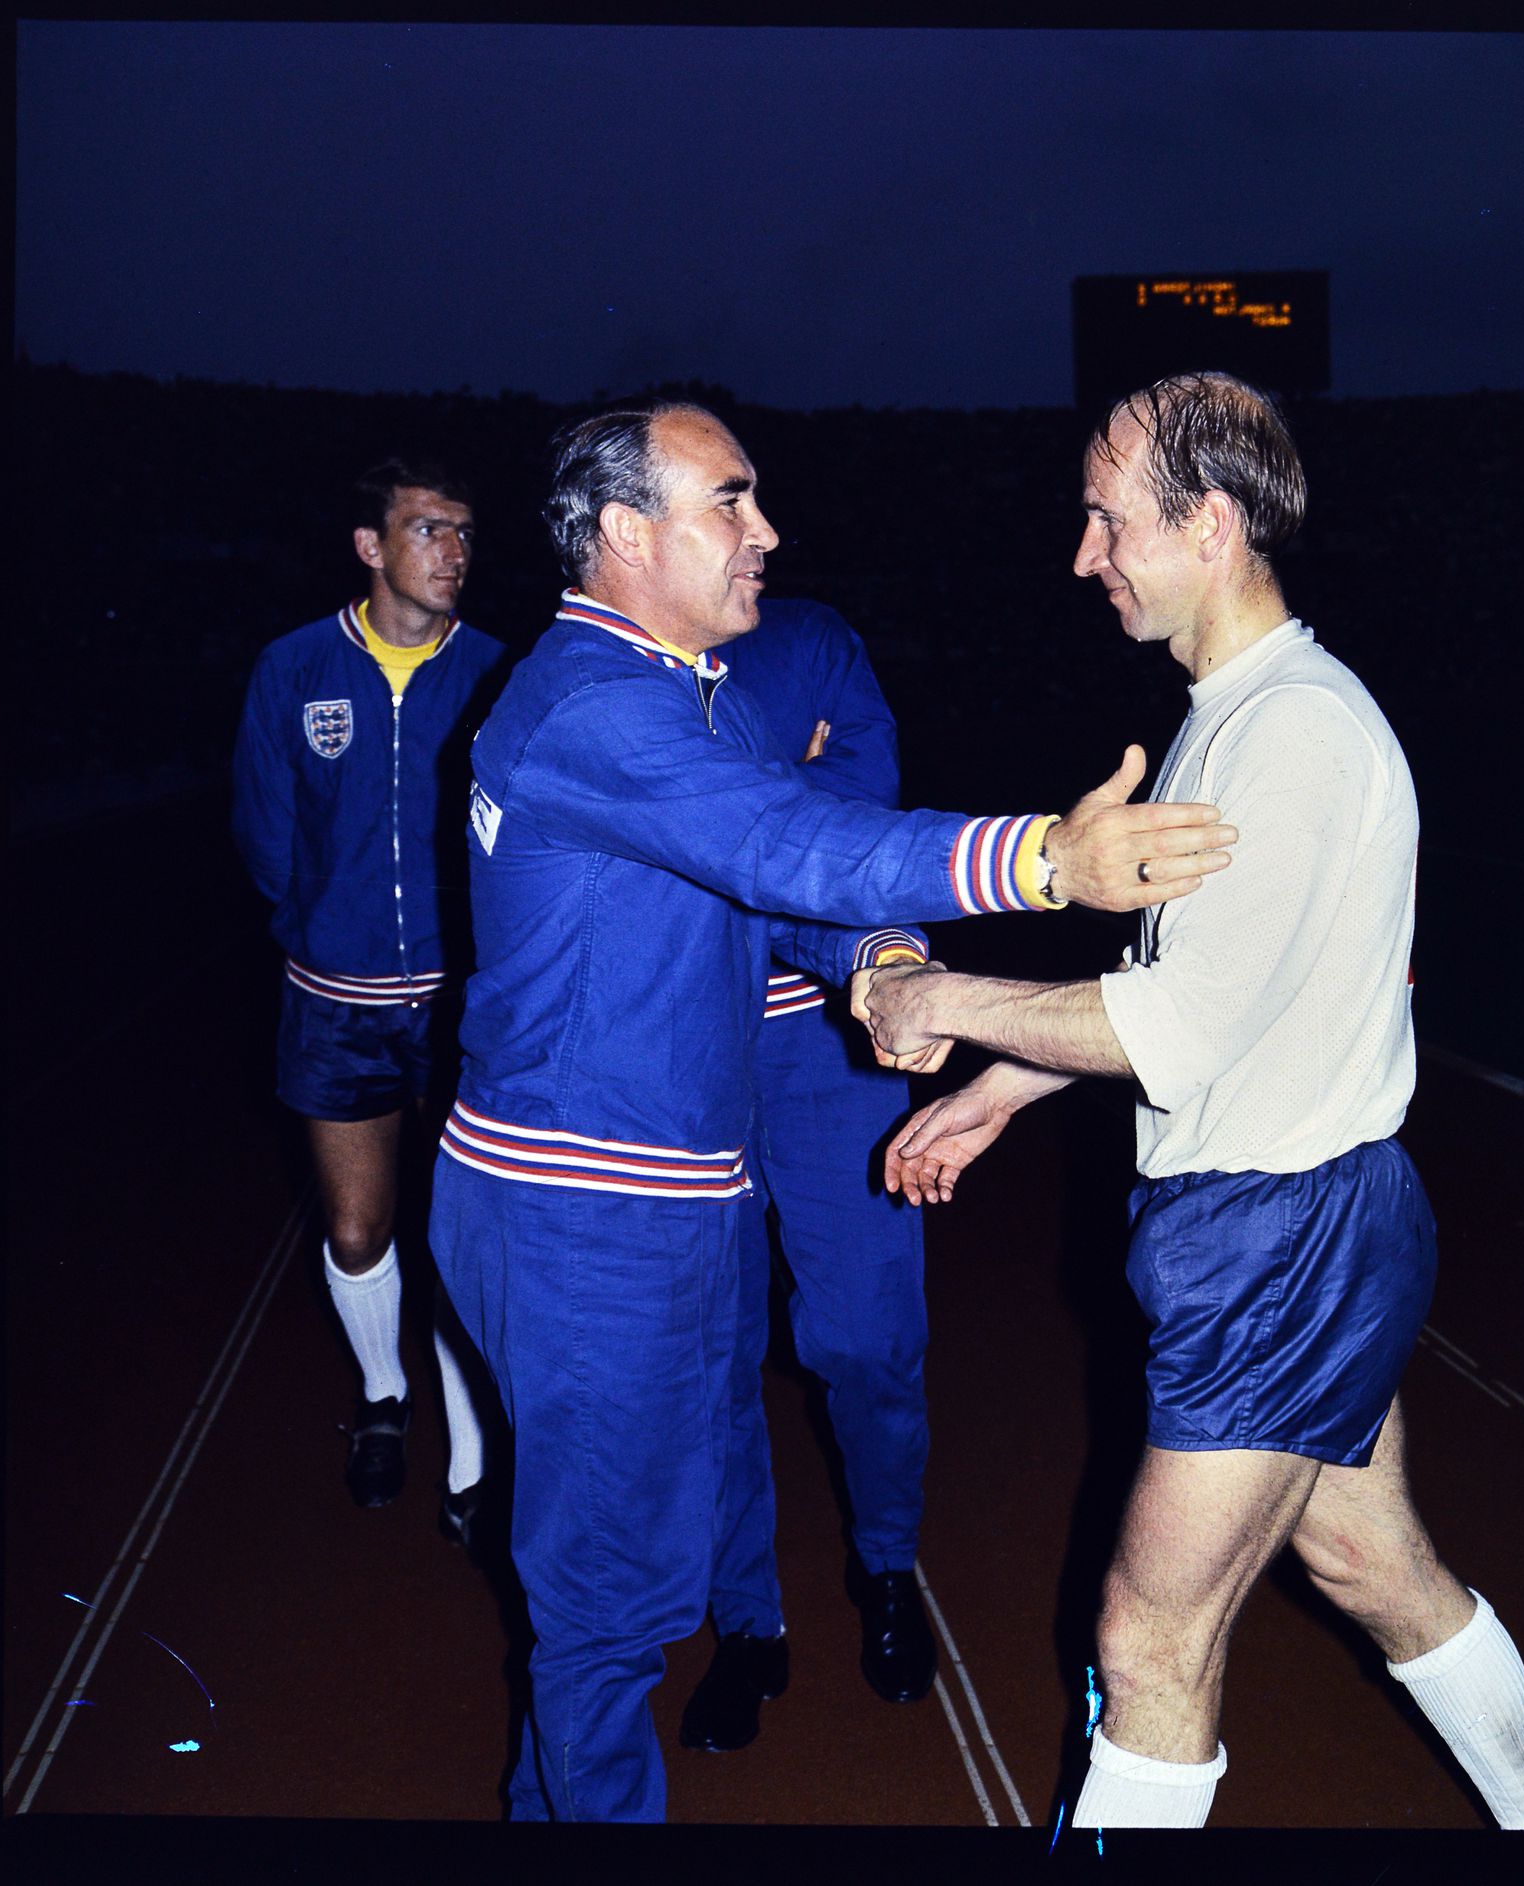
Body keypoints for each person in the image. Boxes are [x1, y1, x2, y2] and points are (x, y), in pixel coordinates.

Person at [426, 399, 1237, 1823]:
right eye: (729, 502)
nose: (768, 530)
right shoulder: (596, 703)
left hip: (653, 1195)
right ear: (625, 534)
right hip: (584, 1213)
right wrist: (1046, 861)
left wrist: (883, 969)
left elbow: (780, 886)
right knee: (609, 1615)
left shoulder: (681, 695)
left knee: (628, 1588)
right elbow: (786, 839)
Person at [862, 372, 1524, 1833]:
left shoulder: (1293, 734)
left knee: (1149, 1639)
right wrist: (1010, 1082)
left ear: (1209, 523)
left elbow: (1178, 1026)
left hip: (1281, 1238)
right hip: (1294, 1221)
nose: (1084, 554)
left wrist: (941, 998)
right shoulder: (1237, 714)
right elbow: (1213, 983)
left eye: (1107, 520)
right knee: (1376, 1567)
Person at [677, 597, 937, 1759]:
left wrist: (732, 811)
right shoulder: (621, 660)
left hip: (832, 1041)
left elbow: (857, 824)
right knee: (710, 1349)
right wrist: (786, 786)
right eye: (728, 511)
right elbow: (760, 834)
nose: (755, 531)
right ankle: (747, 1616)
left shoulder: (816, 642)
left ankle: (887, 1565)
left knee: (869, 1337)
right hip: (689, 1050)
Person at [231, 458, 508, 1544]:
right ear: (370, 546)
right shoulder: (295, 667)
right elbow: (266, 832)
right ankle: (384, 1394)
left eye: (464, 532)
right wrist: (323, 926)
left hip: (457, 1007)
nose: (454, 552)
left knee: (458, 1236)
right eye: (429, 529)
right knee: (357, 1230)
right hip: (334, 1004)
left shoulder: (496, 671)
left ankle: (472, 1448)